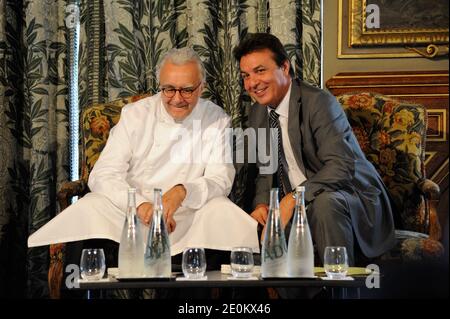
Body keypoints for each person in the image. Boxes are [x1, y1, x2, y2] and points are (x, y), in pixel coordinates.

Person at [28, 47, 259, 271]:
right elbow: (103, 173)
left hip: (188, 215)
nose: (177, 99)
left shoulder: (216, 119)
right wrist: (140, 205)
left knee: (222, 209)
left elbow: (221, 178)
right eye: (168, 89)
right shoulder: (135, 114)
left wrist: (182, 192)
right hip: (130, 214)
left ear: (202, 87)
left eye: (187, 90)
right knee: (89, 206)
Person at [233, 33, 396, 266]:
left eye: (260, 71)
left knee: (325, 205)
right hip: (301, 203)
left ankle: (338, 287)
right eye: (246, 76)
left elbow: (341, 167)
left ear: (285, 67)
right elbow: (265, 170)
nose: (252, 83)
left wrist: (293, 198)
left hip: (349, 196)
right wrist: (261, 205)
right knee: (259, 221)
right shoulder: (258, 112)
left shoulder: (319, 102)